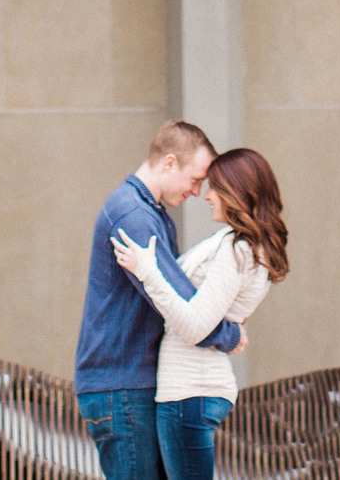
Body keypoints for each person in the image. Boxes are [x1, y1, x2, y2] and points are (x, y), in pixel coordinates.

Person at [75, 122, 245, 480]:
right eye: (196, 179)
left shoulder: (147, 213)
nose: (198, 192)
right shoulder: (133, 217)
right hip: (123, 389)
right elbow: (180, 301)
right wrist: (230, 335)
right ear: (169, 163)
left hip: (125, 387)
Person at [111, 147, 288, 480]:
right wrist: (231, 330)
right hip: (190, 393)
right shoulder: (235, 244)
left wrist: (148, 272)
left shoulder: (238, 248)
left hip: (190, 394)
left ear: (238, 191)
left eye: (215, 188)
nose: (206, 196)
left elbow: (194, 326)